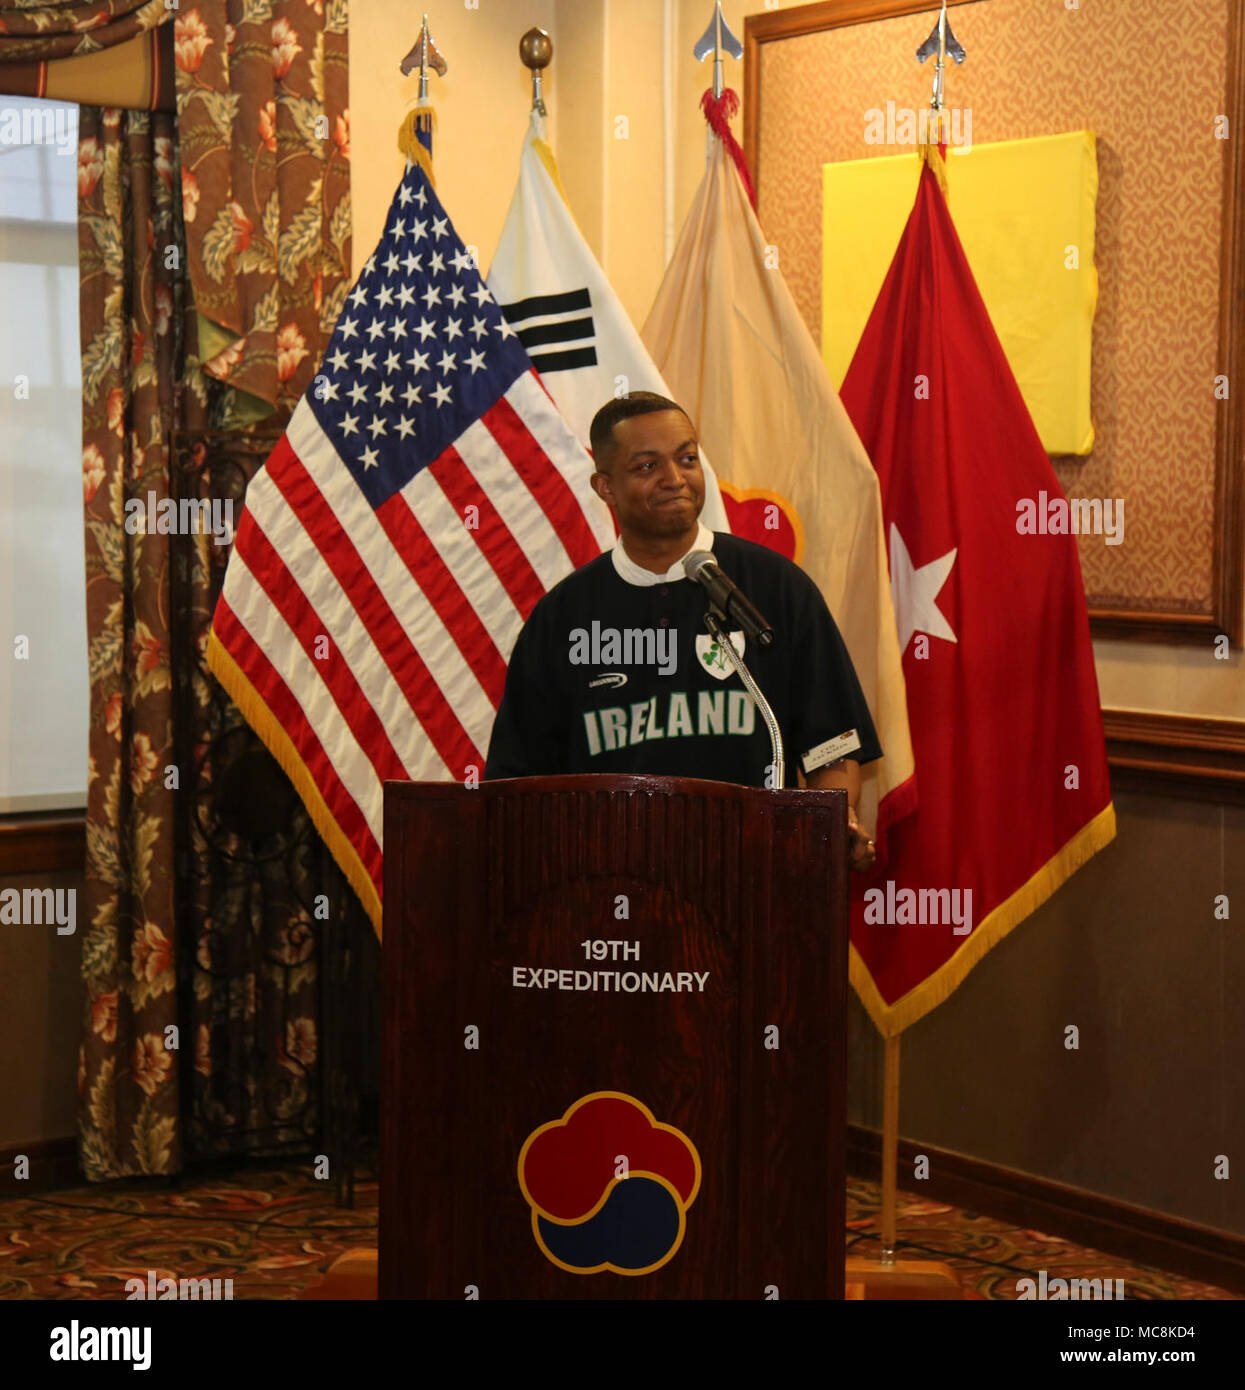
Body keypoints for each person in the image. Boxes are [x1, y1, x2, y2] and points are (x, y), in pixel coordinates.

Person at [484, 391, 880, 871]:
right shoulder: (562, 618)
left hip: (753, 877)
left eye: (687, 458)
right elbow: (518, 784)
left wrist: (832, 825)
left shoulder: (774, 589)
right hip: (608, 889)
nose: (676, 479)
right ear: (605, 487)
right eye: (648, 467)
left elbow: (831, 748)